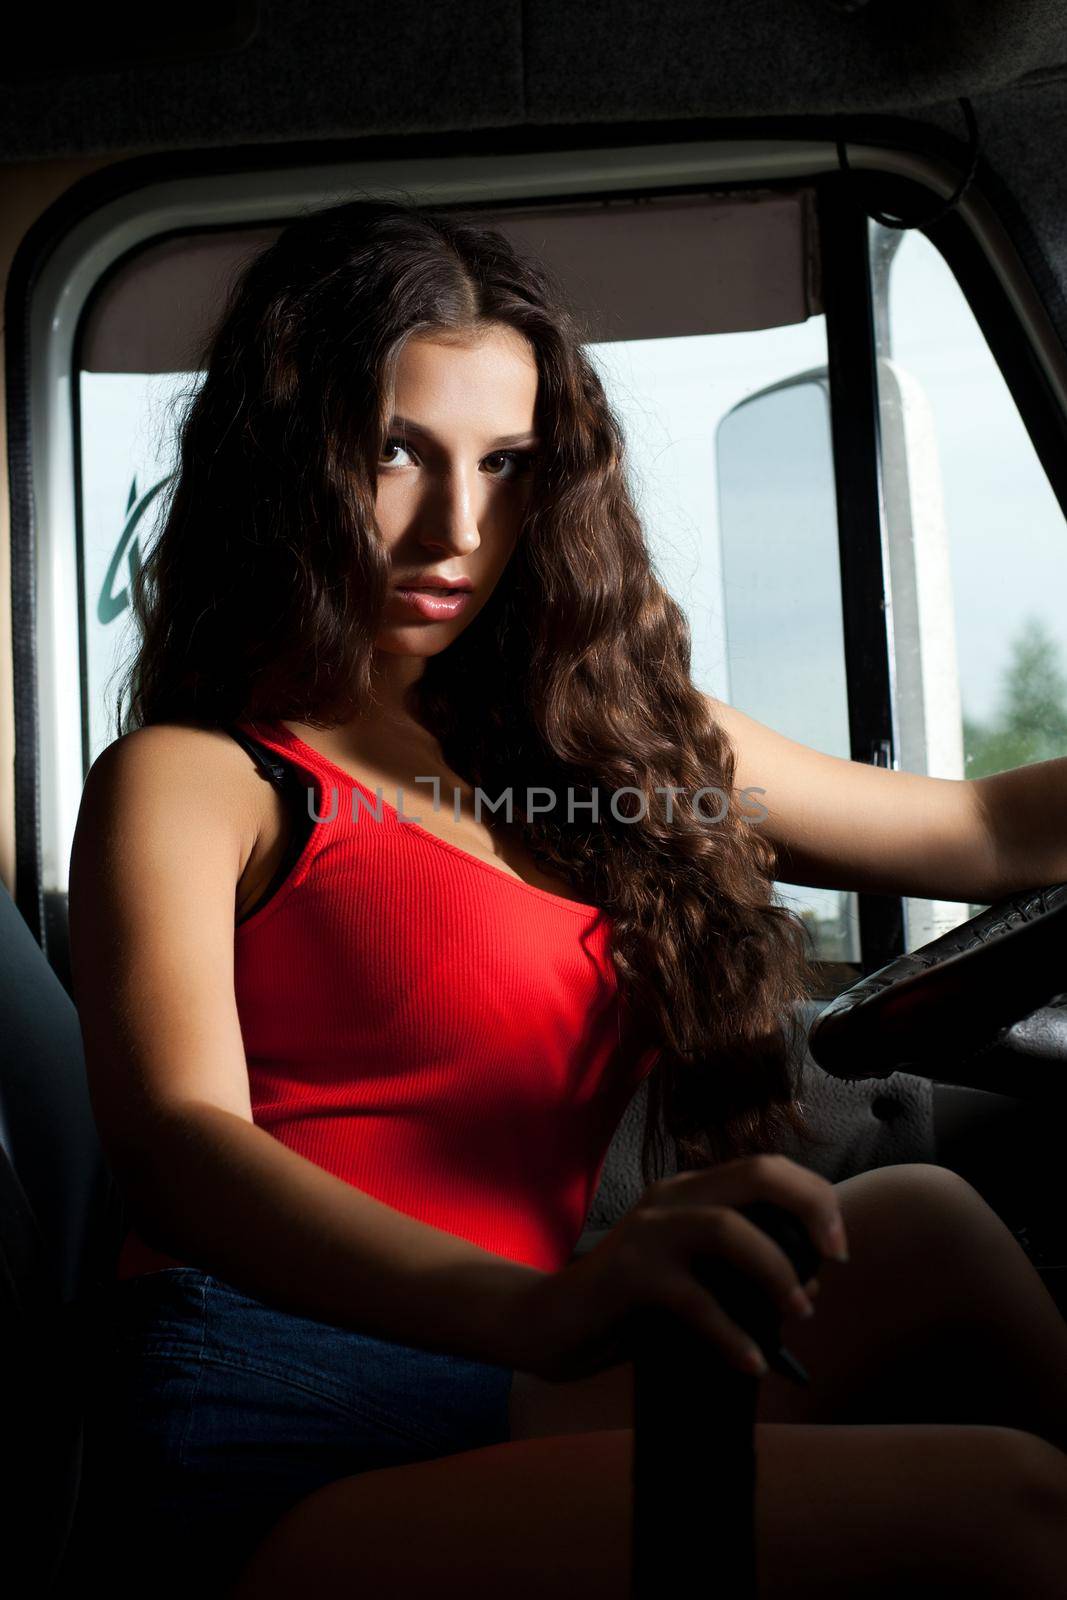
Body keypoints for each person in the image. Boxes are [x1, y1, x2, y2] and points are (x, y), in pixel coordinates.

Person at [65, 194, 1067, 1598]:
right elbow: (177, 1143)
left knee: (928, 1234)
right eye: (398, 451)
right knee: (1019, 1513)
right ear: (290, 456)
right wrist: (545, 1310)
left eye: (509, 463)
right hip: (285, 1424)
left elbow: (982, 829)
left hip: (511, 1376)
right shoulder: (197, 776)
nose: (457, 526)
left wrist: (545, 1326)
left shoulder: (599, 754)